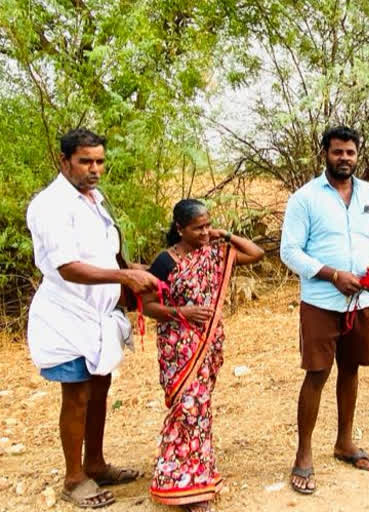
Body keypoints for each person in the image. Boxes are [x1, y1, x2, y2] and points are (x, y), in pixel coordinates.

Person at [26, 128, 160, 508]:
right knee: (78, 395)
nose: (95, 168)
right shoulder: (50, 205)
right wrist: (123, 277)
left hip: (99, 314)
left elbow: (105, 254)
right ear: (63, 160)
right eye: (86, 161)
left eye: (100, 161)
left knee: (100, 388)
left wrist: (137, 269)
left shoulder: (94, 199)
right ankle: (73, 478)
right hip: (66, 315)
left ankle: (96, 463)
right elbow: (66, 266)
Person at [280, 125, 369, 495]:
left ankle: (345, 442)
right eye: (337, 152)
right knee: (316, 374)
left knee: (351, 370)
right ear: (324, 153)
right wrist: (331, 275)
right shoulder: (305, 198)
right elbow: (290, 251)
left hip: (362, 300)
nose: (344, 158)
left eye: (350, 152)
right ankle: (303, 455)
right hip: (321, 302)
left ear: (358, 154)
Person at [141, 199, 263, 512]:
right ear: (180, 229)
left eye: (208, 224)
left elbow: (255, 253)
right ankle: (185, 486)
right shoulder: (165, 262)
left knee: (200, 410)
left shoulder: (214, 252)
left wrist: (226, 235)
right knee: (188, 410)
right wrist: (180, 312)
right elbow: (148, 304)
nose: (205, 232)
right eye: (199, 228)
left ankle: (194, 477)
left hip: (208, 344)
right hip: (178, 347)